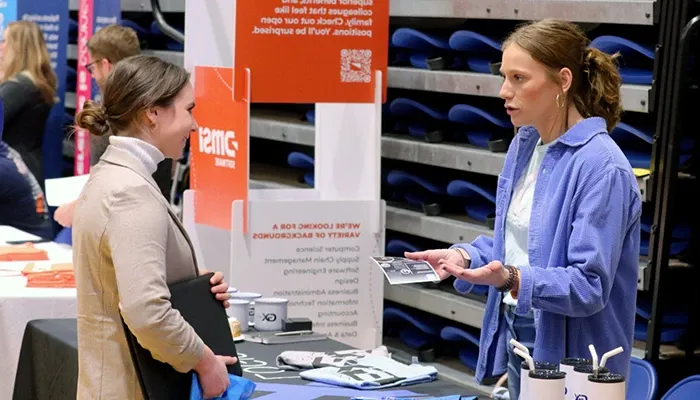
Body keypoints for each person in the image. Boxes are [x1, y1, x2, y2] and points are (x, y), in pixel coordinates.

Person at [405, 19, 640, 399]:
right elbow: (521, 240)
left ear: (563, 81)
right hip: (520, 328)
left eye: (518, 78)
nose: (503, 92)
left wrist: (510, 278)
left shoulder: (602, 167)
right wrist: (464, 255)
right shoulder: (525, 145)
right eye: (504, 77)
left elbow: (588, 286)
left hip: (577, 356)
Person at [72, 55, 235, 399]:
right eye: (189, 109)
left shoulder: (112, 175)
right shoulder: (130, 191)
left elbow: (121, 280)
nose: (194, 125)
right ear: (152, 112)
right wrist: (205, 362)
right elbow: (146, 312)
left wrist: (192, 284)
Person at [53, 24, 174, 228]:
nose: (92, 75)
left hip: (117, 229)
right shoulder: (159, 109)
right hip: (158, 222)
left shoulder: (111, 117)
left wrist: (67, 212)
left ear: (105, 64)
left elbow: (98, 194)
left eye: (92, 67)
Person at [0, 20, 58, 186]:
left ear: (18, 48)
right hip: (27, 167)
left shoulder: (17, 87)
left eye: (5, 41)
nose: (1, 46)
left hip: (13, 172)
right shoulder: (35, 82)